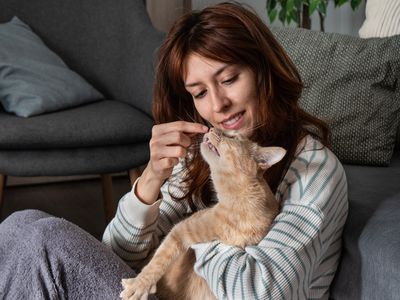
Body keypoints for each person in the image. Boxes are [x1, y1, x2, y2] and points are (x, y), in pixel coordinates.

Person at [0, 2, 348, 300]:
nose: (218, 105)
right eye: (199, 93)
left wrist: (191, 237)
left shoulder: (313, 169)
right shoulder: (201, 158)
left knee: (46, 241)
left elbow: (262, 291)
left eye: (228, 80)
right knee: (22, 224)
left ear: (263, 72)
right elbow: (121, 258)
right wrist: (151, 179)